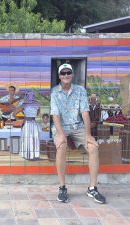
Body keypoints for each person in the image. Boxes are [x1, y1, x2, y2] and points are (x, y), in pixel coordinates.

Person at [50, 63, 106, 204]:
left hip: (78, 126)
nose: (66, 75)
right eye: (63, 73)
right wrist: (61, 134)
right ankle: (62, 187)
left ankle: (92, 188)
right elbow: (55, 115)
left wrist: (87, 135)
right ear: (59, 76)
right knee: (61, 146)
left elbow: (85, 113)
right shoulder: (54, 92)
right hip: (61, 126)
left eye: (69, 72)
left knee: (93, 147)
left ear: (73, 74)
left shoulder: (81, 90)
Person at [14, 91, 41, 160]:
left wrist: (20, 119)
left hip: (27, 123)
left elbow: (14, 113)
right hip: (34, 123)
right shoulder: (37, 104)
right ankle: (34, 155)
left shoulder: (24, 105)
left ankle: (27, 155)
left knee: (27, 139)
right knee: (33, 138)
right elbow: (37, 114)